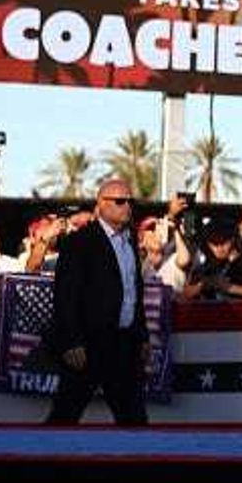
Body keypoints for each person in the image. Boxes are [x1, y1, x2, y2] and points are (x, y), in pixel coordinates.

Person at [45, 178, 149, 426]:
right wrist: (71, 341)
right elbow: (66, 296)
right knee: (65, 415)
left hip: (123, 345)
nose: (127, 207)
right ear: (101, 205)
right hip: (88, 346)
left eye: (130, 201)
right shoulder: (79, 242)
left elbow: (133, 292)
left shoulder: (130, 241)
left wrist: (142, 334)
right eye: (120, 201)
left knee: (134, 418)